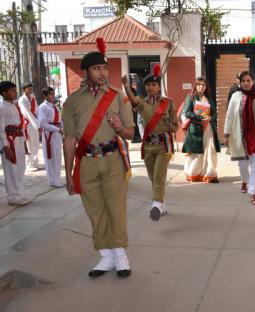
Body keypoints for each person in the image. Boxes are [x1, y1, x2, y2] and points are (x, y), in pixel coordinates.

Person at [62, 38, 135, 278]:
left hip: (112, 158)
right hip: (87, 163)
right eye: (97, 68)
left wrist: (118, 128)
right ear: (87, 71)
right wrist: (69, 172)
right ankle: (105, 255)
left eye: (105, 68)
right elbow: (70, 139)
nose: (102, 73)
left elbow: (131, 133)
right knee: (94, 209)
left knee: (116, 208)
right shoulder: (72, 101)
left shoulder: (117, 97)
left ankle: (120, 254)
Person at [122, 65, 178, 221]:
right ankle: (162, 204)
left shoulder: (168, 103)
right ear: (145, 87)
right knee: (153, 177)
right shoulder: (142, 102)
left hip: (164, 145)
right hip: (148, 146)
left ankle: (156, 206)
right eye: (148, 85)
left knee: (159, 176)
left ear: (159, 86)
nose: (151, 87)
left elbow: (176, 126)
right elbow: (133, 101)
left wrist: (169, 125)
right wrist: (127, 87)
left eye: (154, 85)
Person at [224, 71, 255, 205]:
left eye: (248, 80)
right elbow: (229, 116)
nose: (246, 83)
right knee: (243, 165)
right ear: (239, 83)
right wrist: (226, 134)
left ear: (253, 82)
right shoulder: (235, 96)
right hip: (240, 136)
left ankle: (253, 192)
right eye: (243, 81)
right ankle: (245, 180)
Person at [181, 77, 221, 183]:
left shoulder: (208, 97)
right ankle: (194, 174)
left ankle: (210, 175)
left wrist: (210, 118)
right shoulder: (190, 97)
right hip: (196, 129)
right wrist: (201, 117)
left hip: (208, 128)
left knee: (210, 152)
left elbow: (214, 113)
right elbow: (187, 112)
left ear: (206, 87)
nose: (201, 87)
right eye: (199, 85)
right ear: (196, 86)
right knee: (197, 154)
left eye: (203, 85)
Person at [0, 81, 33, 206]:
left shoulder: (14, 105)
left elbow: (21, 125)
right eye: (12, 90)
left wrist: (24, 142)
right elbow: (1, 130)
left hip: (19, 138)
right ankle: (12, 196)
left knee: (20, 167)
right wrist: (6, 147)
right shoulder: (2, 108)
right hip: (9, 140)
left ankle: (20, 193)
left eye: (15, 90)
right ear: (4, 93)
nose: (15, 92)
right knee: (11, 168)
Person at [38, 86, 64, 187]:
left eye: (53, 94)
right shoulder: (42, 107)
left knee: (57, 156)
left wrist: (62, 127)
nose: (53, 96)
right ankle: (52, 180)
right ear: (44, 96)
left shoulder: (54, 106)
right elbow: (42, 124)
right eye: (50, 94)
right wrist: (57, 129)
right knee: (51, 156)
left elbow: (59, 119)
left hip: (57, 132)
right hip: (50, 134)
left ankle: (57, 178)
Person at [19, 82, 42, 170]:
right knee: (29, 143)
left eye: (31, 88)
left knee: (36, 142)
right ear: (24, 90)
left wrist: (38, 121)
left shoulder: (32, 98)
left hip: (35, 121)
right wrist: (37, 125)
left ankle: (35, 162)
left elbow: (36, 109)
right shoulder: (22, 100)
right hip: (28, 123)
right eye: (28, 88)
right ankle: (29, 164)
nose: (30, 90)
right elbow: (27, 113)